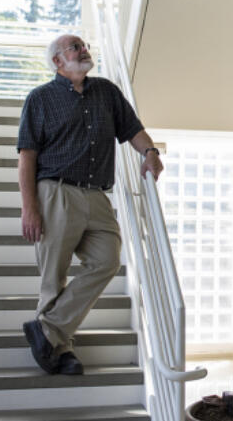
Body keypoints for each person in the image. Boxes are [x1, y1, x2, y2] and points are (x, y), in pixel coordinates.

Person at [17, 34, 163, 375]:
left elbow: (132, 129)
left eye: (84, 46)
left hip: (97, 195)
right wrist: (30, 208)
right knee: (53, 277)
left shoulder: (107, 91)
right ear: (58, 61)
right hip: (56, 192)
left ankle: (47, 329)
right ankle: (61, 350)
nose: (84, 51)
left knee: (107, 260)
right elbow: (27, 157)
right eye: (75, 48)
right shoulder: (40, 99)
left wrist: (150, 151)